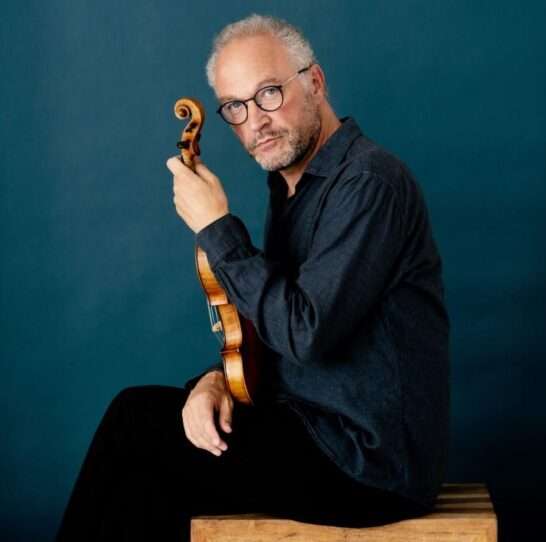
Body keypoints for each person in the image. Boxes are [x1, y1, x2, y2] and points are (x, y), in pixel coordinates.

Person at [55, 13, 449, 542]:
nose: (255, 121)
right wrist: (213, 381)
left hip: (368, 460)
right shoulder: (292, 188)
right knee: (149, 469)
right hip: (312, 429)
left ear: (315, 82)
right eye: (235, 107)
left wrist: (217, 228)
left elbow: (306, 334)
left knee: (136, 429)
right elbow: (273, 325)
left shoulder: (369, 183)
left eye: (268, 93)